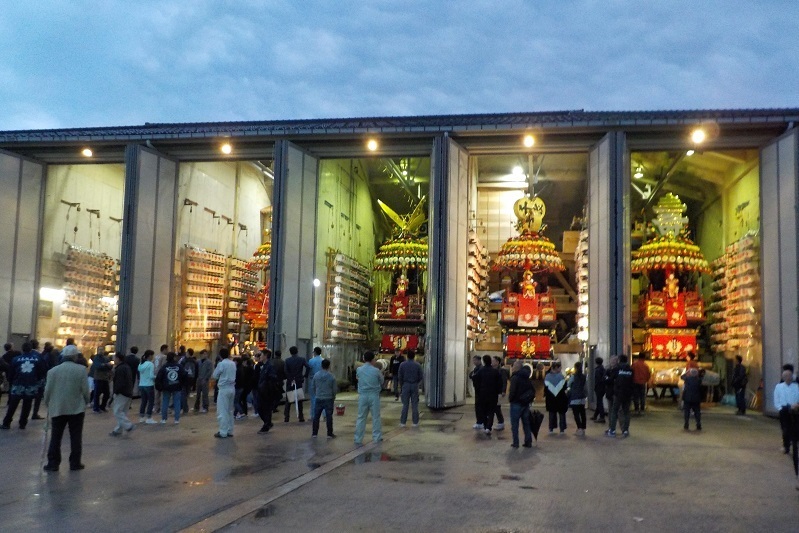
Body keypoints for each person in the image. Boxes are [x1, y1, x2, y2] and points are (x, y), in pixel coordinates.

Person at [42, 345, 91, 472]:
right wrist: (87, 401)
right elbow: (85, 390)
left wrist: (47, 403)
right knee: (75, 436)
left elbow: (47, 391)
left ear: (63, 356)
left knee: (55, 437)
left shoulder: (53, 371)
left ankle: (53, 463)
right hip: (76, 409)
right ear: (75, 356)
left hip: (58, 408)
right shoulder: (81, 370)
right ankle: (75, 463)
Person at [1, 342, 48, 430]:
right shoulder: (37, 358)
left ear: (22, 349)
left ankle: (6, 423)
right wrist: (36, 379)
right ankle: (22, 423)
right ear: (31, 349)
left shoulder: (16, 359)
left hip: (18, 384)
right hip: (31, 385)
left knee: (13, 404)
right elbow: (42, 371)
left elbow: (11, 373)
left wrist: (12, 381)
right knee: (27, 405)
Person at [354, 351, 384, 446]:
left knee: (361, 417)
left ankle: (358, 438)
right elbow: (382, 381)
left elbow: (358, 378)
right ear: (372, 360)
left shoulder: (359, 370)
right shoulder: (376, 371)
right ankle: (377, 437)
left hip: (362, 395)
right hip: (374, 395)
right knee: (376, 417)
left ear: (364, 359)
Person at [508, 360, 535, 448]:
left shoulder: (515, 377)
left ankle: (516, 443)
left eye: (514, 365)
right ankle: (528, 441)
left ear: (518, 367)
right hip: (525, 403)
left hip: (516, 403)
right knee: (526, 424)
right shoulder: (527, 377)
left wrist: (510, 399)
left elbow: (512, 390)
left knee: (515, 424)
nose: (513, 367)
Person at [606, 355, 634, 438]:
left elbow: (610, 379)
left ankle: (612, 430)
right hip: (628, 394)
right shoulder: (631, 370)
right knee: (626, 412)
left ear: (619, 360)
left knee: (614, 411)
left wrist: (607, 377)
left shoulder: (617, 369)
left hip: (618, 394)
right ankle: (625, 430)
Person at [212, 347, 236, 438]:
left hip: (223, 389)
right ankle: (230, 430)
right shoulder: (233, 363)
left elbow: (215, 375)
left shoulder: (221, 364)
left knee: (222, 411)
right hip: (232, 388)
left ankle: (223, 431)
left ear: (220, 355)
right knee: (230, 410)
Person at [155, 352, 185, 424]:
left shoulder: (164, 367)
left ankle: (164, 419)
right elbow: (184, 376)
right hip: (177, 387)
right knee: (177, 403)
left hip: (166, 387)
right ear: (174, 357)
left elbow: (159, 377)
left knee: (165, 402)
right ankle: (176, 419)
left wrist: (160, 386)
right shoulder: (179, 366)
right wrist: (182, 385)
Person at [311, 358, 337, 438]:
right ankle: (329, 433)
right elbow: (334, 389)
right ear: (329, 366)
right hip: (328, 398)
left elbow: (313, 387)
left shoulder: (316, 375)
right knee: (329, 416)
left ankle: (314, 433)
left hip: (318, 398)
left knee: (316, 416)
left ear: (321, 366)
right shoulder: (332, 376)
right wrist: (333, 396)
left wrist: (317, 394)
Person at [476, 355, 503, 435]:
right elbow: (499, 383)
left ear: (483, 361)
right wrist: (499, 392)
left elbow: (476, 381)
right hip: (493, 394)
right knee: (491, 411)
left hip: (483, 394)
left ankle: (485, 425)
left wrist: (479, 391)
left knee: (483, 410)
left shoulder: (481, 371)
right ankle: (488, 427)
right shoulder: (495, 371)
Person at [110, 353, 135, 436]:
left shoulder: (120, 369)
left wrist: (115, 392)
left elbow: (119, 382)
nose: (113, 360)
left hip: (122, 392)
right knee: (122, 412)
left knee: (117, 411)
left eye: (114, 358)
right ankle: (118, 429)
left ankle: (128, 425)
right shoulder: (126, 367)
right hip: (128, 392)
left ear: (118, 358)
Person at [775, 368, 799, 455]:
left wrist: (797, 405)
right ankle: (786, 446)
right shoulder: (779, 387)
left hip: (795, 409)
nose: (789, 377)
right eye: (786, 376)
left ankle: (792, 443)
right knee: (785, 428)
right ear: (783, 377)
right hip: (784, 410)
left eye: (790, 376)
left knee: (795, 428)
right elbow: (776, 399)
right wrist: (780, 408)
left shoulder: (796, 386)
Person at [398, 349, 423, 428]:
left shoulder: (402, 364)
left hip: (406, 384)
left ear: (407, 356)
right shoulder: (418, 365)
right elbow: (421, 376)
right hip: (414, 385)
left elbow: (400, 376)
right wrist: (417, 383)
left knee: (405, 404)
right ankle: (415, 422)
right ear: (414, 356)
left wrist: (402, 385)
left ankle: (403, 422)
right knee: (415, 404)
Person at [256, 350, 280, 434]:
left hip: (267, 391)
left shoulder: (270, 366)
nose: (260, 356)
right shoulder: (264, 365)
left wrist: (266, 384)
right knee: (260, 408)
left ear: (266, 356)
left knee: (265, 408)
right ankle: (267, 423)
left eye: (261, 354)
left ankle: (267, 424)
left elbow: (273, 377)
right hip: (262, 390)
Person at [283, 346, 309, 423]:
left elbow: (285, 371)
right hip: (298, 381)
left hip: (290, 381)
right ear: (297, 351)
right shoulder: (302, 359)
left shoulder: (287, 360)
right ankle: (301, 417)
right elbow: (308, 367)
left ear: (290, 352)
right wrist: (305, 376)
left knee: (288, 400)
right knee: (299, 399)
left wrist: (290, 378)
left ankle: (286, 417)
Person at [544, 361, 568, 434]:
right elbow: (565, 387)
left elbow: (546, 389)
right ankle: (562, 430)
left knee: (552, 413)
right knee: (561, 413)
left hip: (550, 398)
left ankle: (551, 429)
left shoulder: (547, 377)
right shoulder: (561, 376)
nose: (560, 369)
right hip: (561, 398)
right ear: (556, 368)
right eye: (560, 368)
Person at [30, 339, 49, 420]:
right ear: (37, 345)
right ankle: (35, 413)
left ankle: (24, 415)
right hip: (38, 379)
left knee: (27, 398)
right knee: (38, 397)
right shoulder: (38, 355)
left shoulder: (25, 354)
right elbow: (43, 367)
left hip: (28, 379)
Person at [568, 361, 588, 435]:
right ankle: (583, 428)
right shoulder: (583, 376)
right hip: (582, 397)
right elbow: (585, 387)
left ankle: (579, 428)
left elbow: (568, 384)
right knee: (582, 413)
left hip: (575, 397)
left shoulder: (573, 376)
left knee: (576, 414)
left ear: (575, 368)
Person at [137, 350, 156, 424]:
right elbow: (151, 376)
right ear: (150, 356)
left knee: (143, 401)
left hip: (142, 385)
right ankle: (149, 417)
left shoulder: (141, 364)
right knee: (151, 402)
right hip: (149, 385)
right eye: (152, 355)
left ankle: (141, 417)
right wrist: (156, 377)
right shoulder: (150, 364)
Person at [492, 355, 509, 430]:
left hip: (498, 391)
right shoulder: (491, 369)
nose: (492, 362)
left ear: (497, 362)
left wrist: (503, 390)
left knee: (497, 407)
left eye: (493, 361)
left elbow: (504, 381)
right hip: (492, 391)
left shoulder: (502, 370)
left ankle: (501, 422)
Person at [179, 348, 196, 415]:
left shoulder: (183, 360)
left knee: (183, 394)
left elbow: (180, 368)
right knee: (186, 394)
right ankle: (184, 408)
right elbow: (196, 371)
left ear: (188, 353)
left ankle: (184, 408)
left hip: (184, 379)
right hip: (191, 379)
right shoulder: (194, 361)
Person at [308, 346, 324, 416]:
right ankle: (324, 414)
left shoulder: (311, 361)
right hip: (323, 380)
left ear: (315, 352)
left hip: (313, 380)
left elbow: (309, 370)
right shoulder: (323, 360)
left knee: (313, 398)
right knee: (323, 397)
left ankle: (314, 415)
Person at [469, 355, 484, 429]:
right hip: (477, 389)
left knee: (479, 407)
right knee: (478, 406)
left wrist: (473, 376)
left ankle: (480, 422)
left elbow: (474, 376)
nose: (473, 362)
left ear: (479, 360)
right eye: (473, 360)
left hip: (480, 390)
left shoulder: (481, 368)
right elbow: (471, 375)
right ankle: (479, 421)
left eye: (475, 360)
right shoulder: (476, 368)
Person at [591, 357, 607, 423]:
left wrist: (595, 387)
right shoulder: (603, 369)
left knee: (599, 402)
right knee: (599, 401)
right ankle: (595, 415)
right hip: (603, 387)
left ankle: (602, 417)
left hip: (599, 388)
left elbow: (597, 380)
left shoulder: (597, 370)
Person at [153, 344, 168, 408]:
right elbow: (163, 366)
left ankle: (156, 407)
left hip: (155, 375)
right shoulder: (164, 357)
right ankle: (162, 407)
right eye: (167, 349)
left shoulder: (156, 356)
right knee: (162, 393)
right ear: (164, 349)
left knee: (156, 392)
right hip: (161, 376)